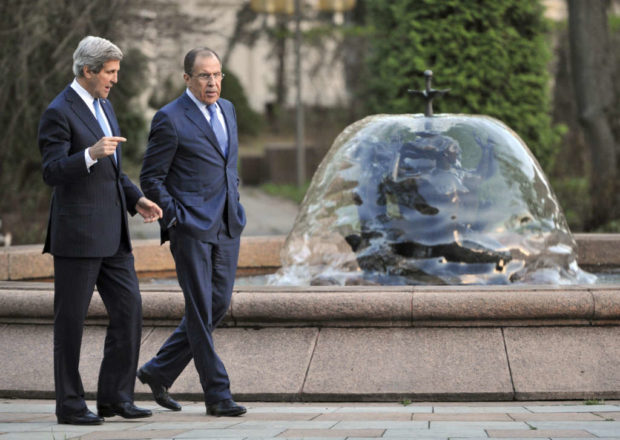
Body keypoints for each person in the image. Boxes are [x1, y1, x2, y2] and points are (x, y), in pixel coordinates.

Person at [38, 36, 162, 425]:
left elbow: (113, 169)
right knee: (70, 323)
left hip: (113, 235)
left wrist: (136, 199)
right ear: (87, 71)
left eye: (116, 72)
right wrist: (90, 153)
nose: (114, 80)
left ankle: (115, 397)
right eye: (109, 72)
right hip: (76, 237)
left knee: (130, 313)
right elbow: (52, 171)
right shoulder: (58, 111)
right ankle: (70, 405)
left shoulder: (104, 105)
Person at [138, 47, 247, 417]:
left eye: (217, 74)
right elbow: (151, 178)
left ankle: (158, 371)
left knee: (217, 304)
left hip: (228, 224)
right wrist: (177, 217)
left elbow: (225, 163)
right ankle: (217, 394)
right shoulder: (169, 118)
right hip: (190, 229)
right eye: (204, 75)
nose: (212, 82)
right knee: (200, 309)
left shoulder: (229, 109)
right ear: (187, 78)